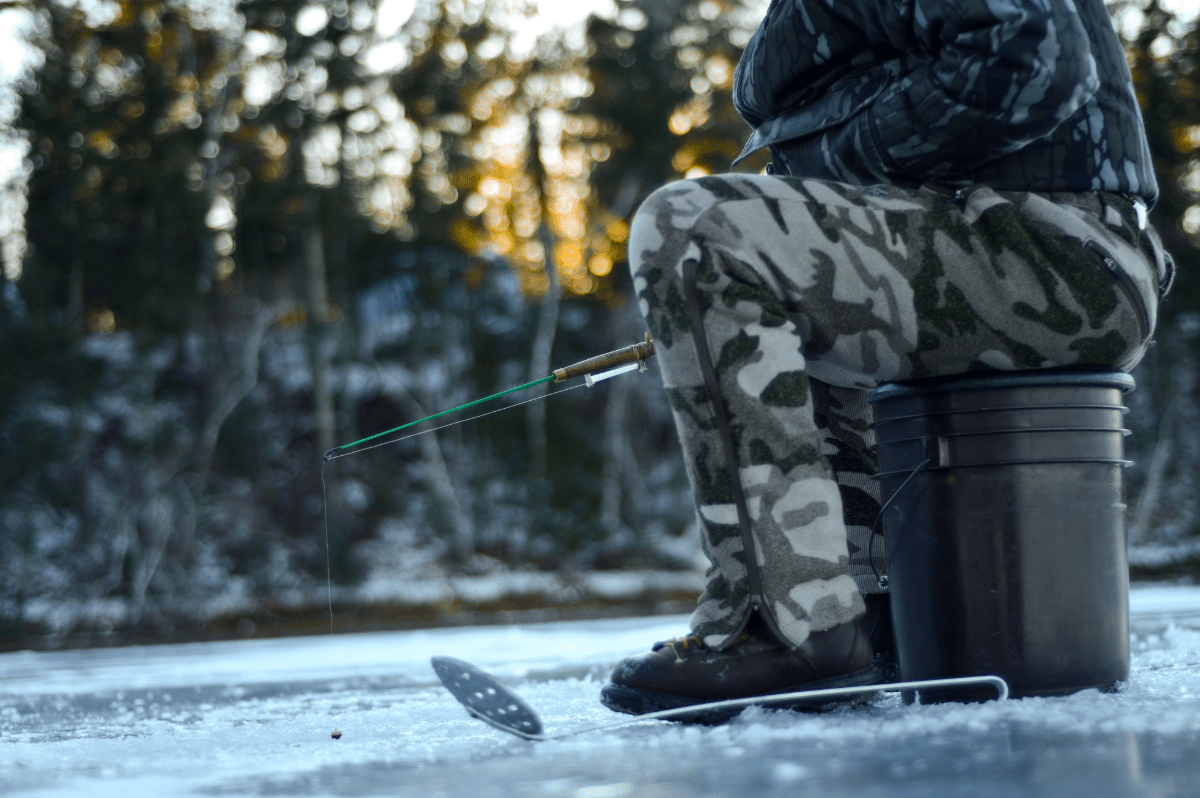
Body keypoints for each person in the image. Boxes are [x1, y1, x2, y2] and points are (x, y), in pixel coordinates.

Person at [600, 0, 1174, 717]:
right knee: (770, 246)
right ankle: (869, 613)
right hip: (1024, 245)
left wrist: (839, 168)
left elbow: (1034, 54)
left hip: (1055, 251)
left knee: (697, 229)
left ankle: (786, 619)